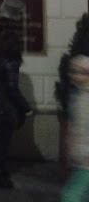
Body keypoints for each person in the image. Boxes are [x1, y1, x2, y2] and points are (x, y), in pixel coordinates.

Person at [0, 27, 33, 189]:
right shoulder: (11, 60)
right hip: (3, 105)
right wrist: (26, 108)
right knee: (3, 140)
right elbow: (11, 88)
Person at [62, 55, 89, 202]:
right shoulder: (80, 93)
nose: (74, 76)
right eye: (73, 71)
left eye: (80, 72)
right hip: (82, 156)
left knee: (71, 196)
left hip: (86, 158)